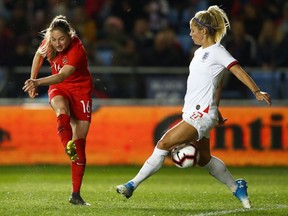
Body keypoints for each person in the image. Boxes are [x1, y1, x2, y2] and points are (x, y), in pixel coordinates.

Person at [116, 5, 271, 209]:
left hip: (201, 114)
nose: (190, 34)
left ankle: (131, 185)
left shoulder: (218, 51)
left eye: (193, 30)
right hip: (199, 112)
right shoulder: (199, 53)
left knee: (163, 144)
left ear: (204, 31)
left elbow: (238, 70)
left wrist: (256, 91)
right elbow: (215, 84)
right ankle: (237, 188)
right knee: (204, 159)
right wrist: (218, 111)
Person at [22, 15, 93, 206]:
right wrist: (32, 81)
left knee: (80, 144)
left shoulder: (77, 49)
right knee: (61, 109)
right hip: (59, 88)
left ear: (70, 35)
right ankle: (65, 144)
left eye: (61, 39)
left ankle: (75, 195)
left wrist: (37, 82)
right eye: (53, 39)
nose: (57, 43)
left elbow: (62, 75)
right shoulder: (49, 43)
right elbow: (38, 56)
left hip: (80, 91)